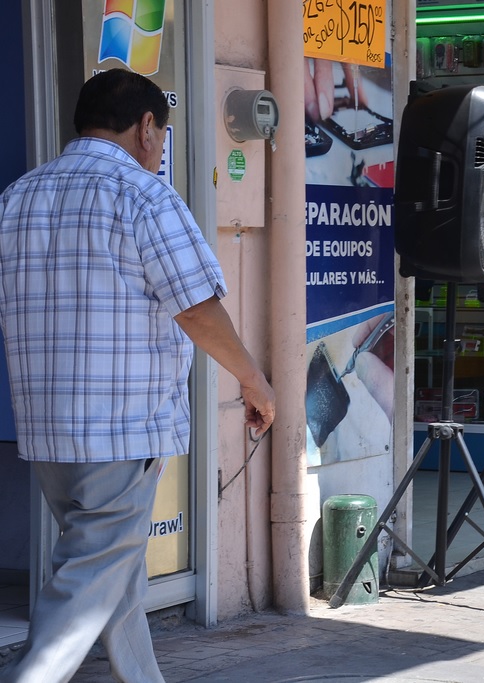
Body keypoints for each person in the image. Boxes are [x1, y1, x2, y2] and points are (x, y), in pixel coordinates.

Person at [0, 69, 275, 683]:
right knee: (84, 588)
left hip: (47, 434)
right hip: (120, 433)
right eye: (163, 132)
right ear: (147, 127)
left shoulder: (17, 198)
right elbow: (198, 309)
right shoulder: (144, 195)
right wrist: (253, 381)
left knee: (109, 571)